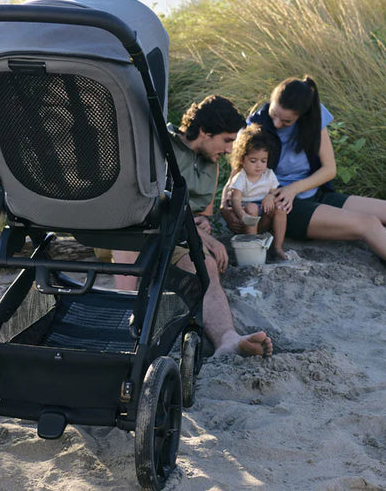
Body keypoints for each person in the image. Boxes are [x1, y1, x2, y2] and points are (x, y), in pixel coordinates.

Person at [221, 76, 386, 288]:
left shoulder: (315, 117)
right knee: (369, 224)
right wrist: (225, 202)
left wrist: (295, 188)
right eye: (275, 114)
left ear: (303, 116)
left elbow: (329, 169)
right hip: (285, 206)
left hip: (311, 192)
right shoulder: (255, 125)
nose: (277, 123)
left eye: (286, 121)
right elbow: (237, 173)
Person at [111, 95, 273, 357]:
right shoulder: (162, 146)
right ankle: (120, 331)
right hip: (143, 227)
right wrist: (207, 239)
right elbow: (147, 204)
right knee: (129, 248)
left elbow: (203, 214)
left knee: (206, 266)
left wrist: (203, 226)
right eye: (227, 140)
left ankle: (227, 339)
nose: (230, 150)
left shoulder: (212, 165)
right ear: (205, 132)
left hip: (180, 238)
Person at [221, 124, 287, 260]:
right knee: (252, 208)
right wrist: (242, 215)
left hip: (263, 215)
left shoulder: (268, 174)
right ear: (242, 160)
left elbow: (274, 192)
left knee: (280, 208)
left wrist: (269, 196)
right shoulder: (241, 177)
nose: (259, 165)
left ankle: (278, 247)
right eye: (253, 161)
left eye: (263, 161)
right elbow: (235, 199)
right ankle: (251, 246)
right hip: (246, 217)